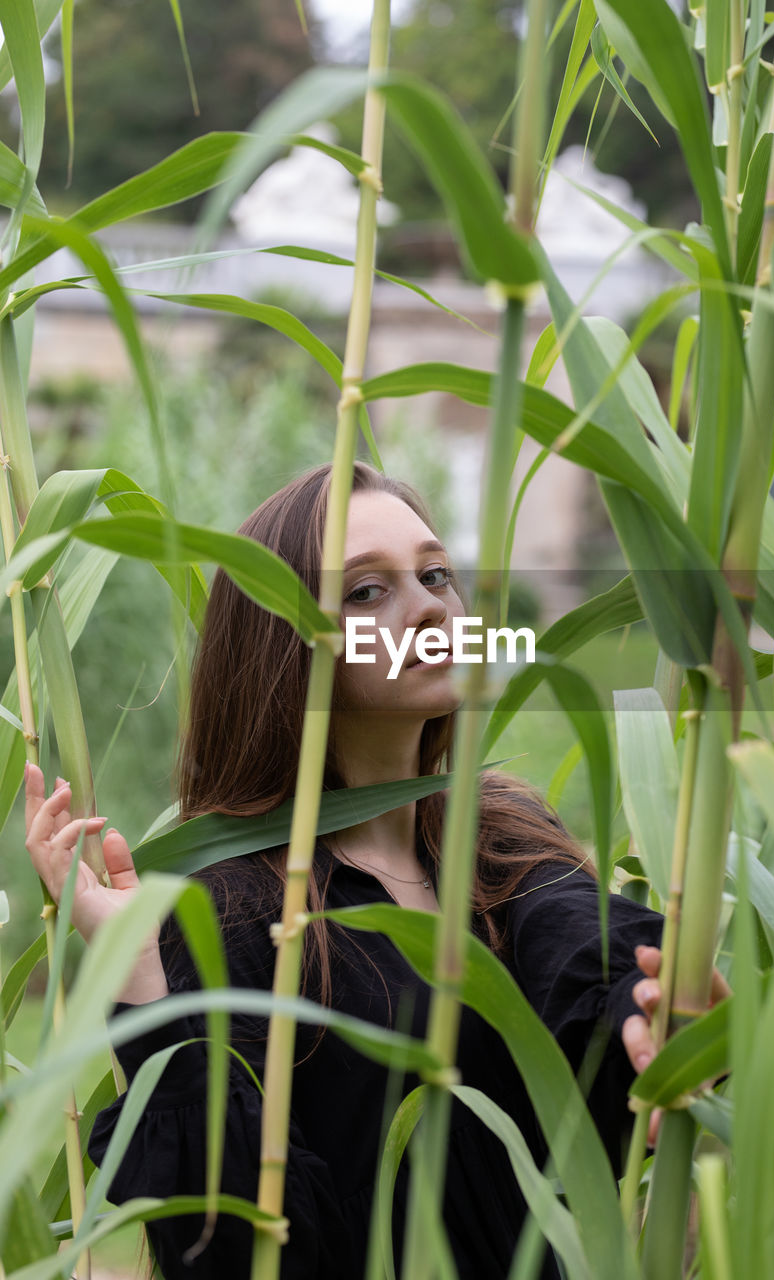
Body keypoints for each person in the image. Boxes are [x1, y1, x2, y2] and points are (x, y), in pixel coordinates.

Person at [25, 461, 672, 1279]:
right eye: (367, 591)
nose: (433, 605)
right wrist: (152, 984)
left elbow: (583, 958)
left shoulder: (499, 831)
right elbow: (229, 1248)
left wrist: (649, 1006)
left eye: (436, 574)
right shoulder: (230, 908)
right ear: (282, 645)